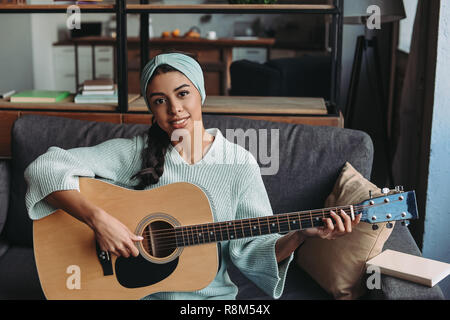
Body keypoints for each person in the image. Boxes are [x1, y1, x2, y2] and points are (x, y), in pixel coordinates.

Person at [24, 52, 360, 300]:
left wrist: (300, 235)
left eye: (183, 94)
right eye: (160, 101)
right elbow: (44, 167)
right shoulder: (134, 152)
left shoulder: (238, 163)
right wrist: (98, 220)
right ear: (151, 111)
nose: (174, 110)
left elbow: (254, 249)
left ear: (201, 93)